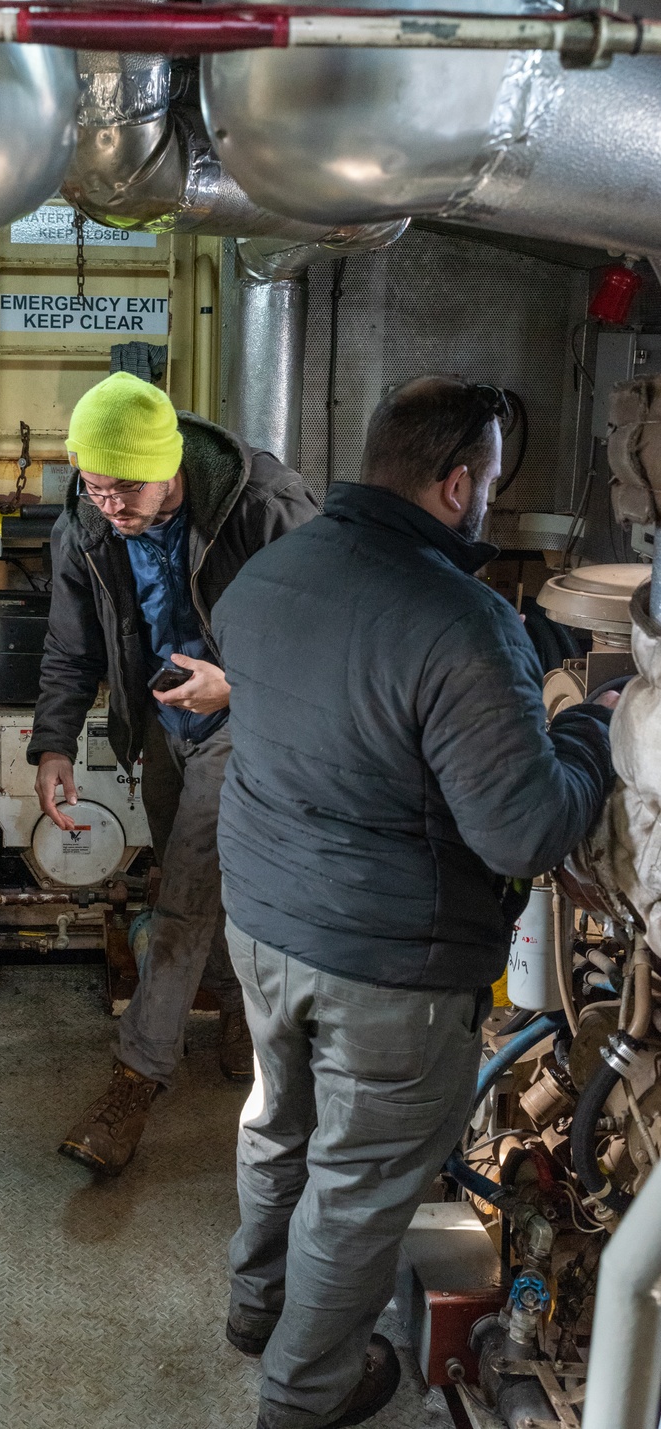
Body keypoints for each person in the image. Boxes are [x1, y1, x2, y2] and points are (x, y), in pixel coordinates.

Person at [211, 376, 616, 1429]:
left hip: (259, 920)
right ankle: (305, 1394)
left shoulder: (267, 573)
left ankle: (256, 1308)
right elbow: (524, 830)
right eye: (485, 483)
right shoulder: (461, 618)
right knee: (357, 1186)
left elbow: (361, 702)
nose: (486, 501)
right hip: (386, 963)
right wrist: (590, 729)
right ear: (452, 485)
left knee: (276, 1125)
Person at [28, 371, 318, 1175]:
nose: (110, 504)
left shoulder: (267, 507)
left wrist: (239, 683)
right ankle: (230, 1012)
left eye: (125, 488)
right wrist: (54, 743)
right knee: (190, 877)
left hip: (246, 723)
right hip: (164, 724)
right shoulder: (89, 519)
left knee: (184, 895)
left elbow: (330, 637)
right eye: (94, 486)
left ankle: (134, 1081)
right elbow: (70, 641)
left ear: (172, 467)